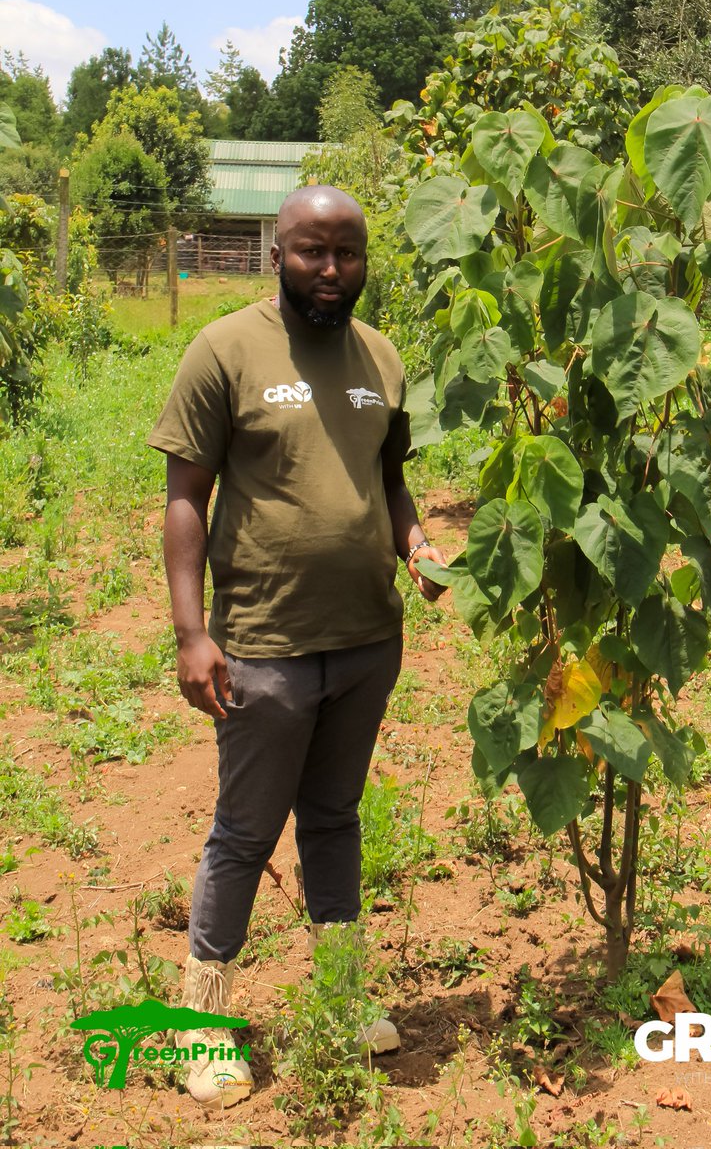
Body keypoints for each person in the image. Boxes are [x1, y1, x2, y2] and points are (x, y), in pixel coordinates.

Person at [148, 185, 446, 1110]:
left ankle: (342, 1000)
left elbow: (387, 483)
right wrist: (192, 633)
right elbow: (186, 497)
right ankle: (203, 1026)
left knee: (334, 818)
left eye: (347, 253)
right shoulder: (224, 350)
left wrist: (417, 547)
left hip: (366, 640)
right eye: (312, 252)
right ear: (278, 255)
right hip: (263, 646)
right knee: (245, 832)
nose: (330, 269)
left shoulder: (381, 358)